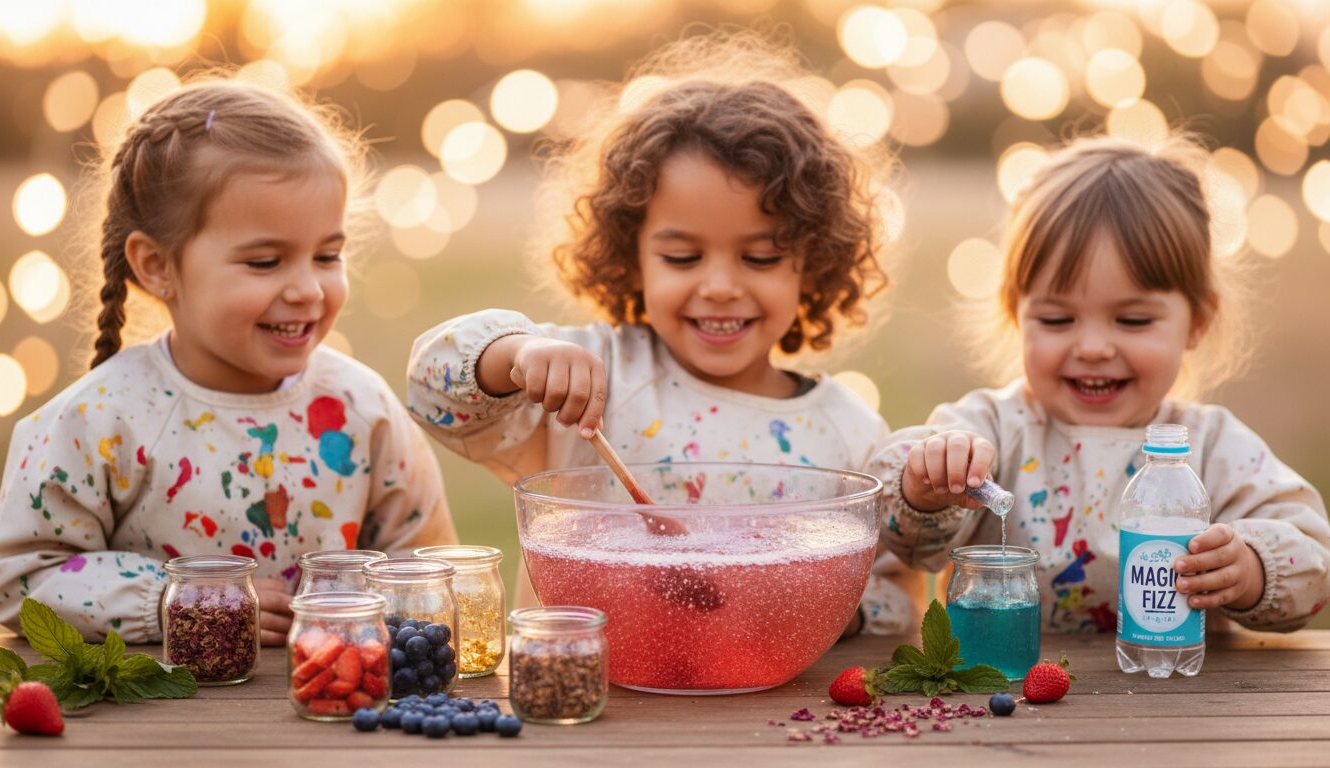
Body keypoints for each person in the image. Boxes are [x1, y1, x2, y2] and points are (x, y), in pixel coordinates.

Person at [408, 32, 916, 634]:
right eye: (682, 258)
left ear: (815, 263)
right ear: (631, 257)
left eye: (760, 258)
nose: (720, 286)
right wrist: (517, 354)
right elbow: (432, 392)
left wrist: (809, 602)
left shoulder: (848, 432)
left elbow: (896, 599)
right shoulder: (590, 376)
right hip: (586, 684)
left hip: (771, 694)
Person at [0, 79, 457, 644]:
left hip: (330, 693)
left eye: (327, 255)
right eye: (265, 262)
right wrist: (185, 602)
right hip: (167, 702)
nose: (308, 289)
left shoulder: (363, 408)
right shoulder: (101, 420)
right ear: (157, 266)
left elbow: (426, 570)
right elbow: (17, 579)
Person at [877, 135, 1330, 632]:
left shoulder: (1211, 447)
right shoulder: (991, 429)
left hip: (1169, 677)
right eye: (1056, 319)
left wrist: (1250, 569)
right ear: (1016, 314)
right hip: (1006, 676)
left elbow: (1314, 560)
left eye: (1133, 320)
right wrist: (923, 489)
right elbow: (903, 539)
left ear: (1197, 322)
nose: (1092, 348)